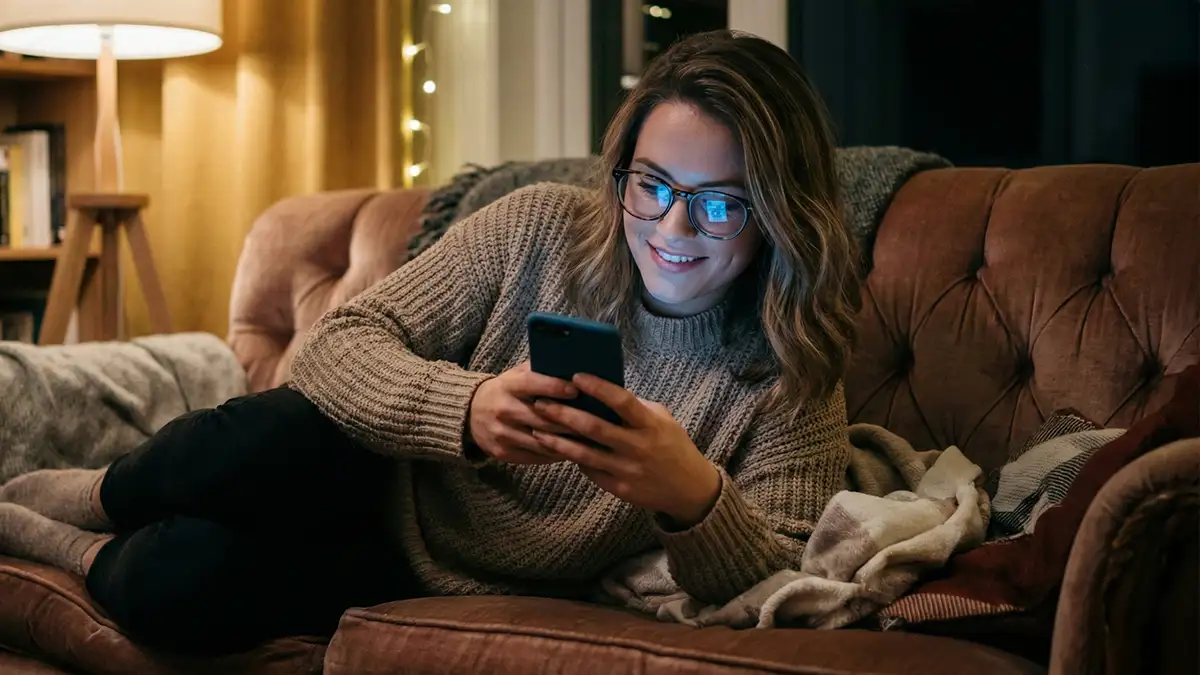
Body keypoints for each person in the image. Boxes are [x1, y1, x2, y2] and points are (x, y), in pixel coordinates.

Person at [0, 29, 860, 655]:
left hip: (406, 570)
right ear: (622, 172)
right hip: (388, 473)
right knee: (260, 433)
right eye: (653, 184)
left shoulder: (794, 369)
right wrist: (466, 406)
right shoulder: (540, 228)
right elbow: (339, 341)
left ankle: (58, 541)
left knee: (173, 586)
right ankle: (81, 495)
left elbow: (781, 579)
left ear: (778, 213)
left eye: (719, 202)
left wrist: (692, 495)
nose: (672, 227)